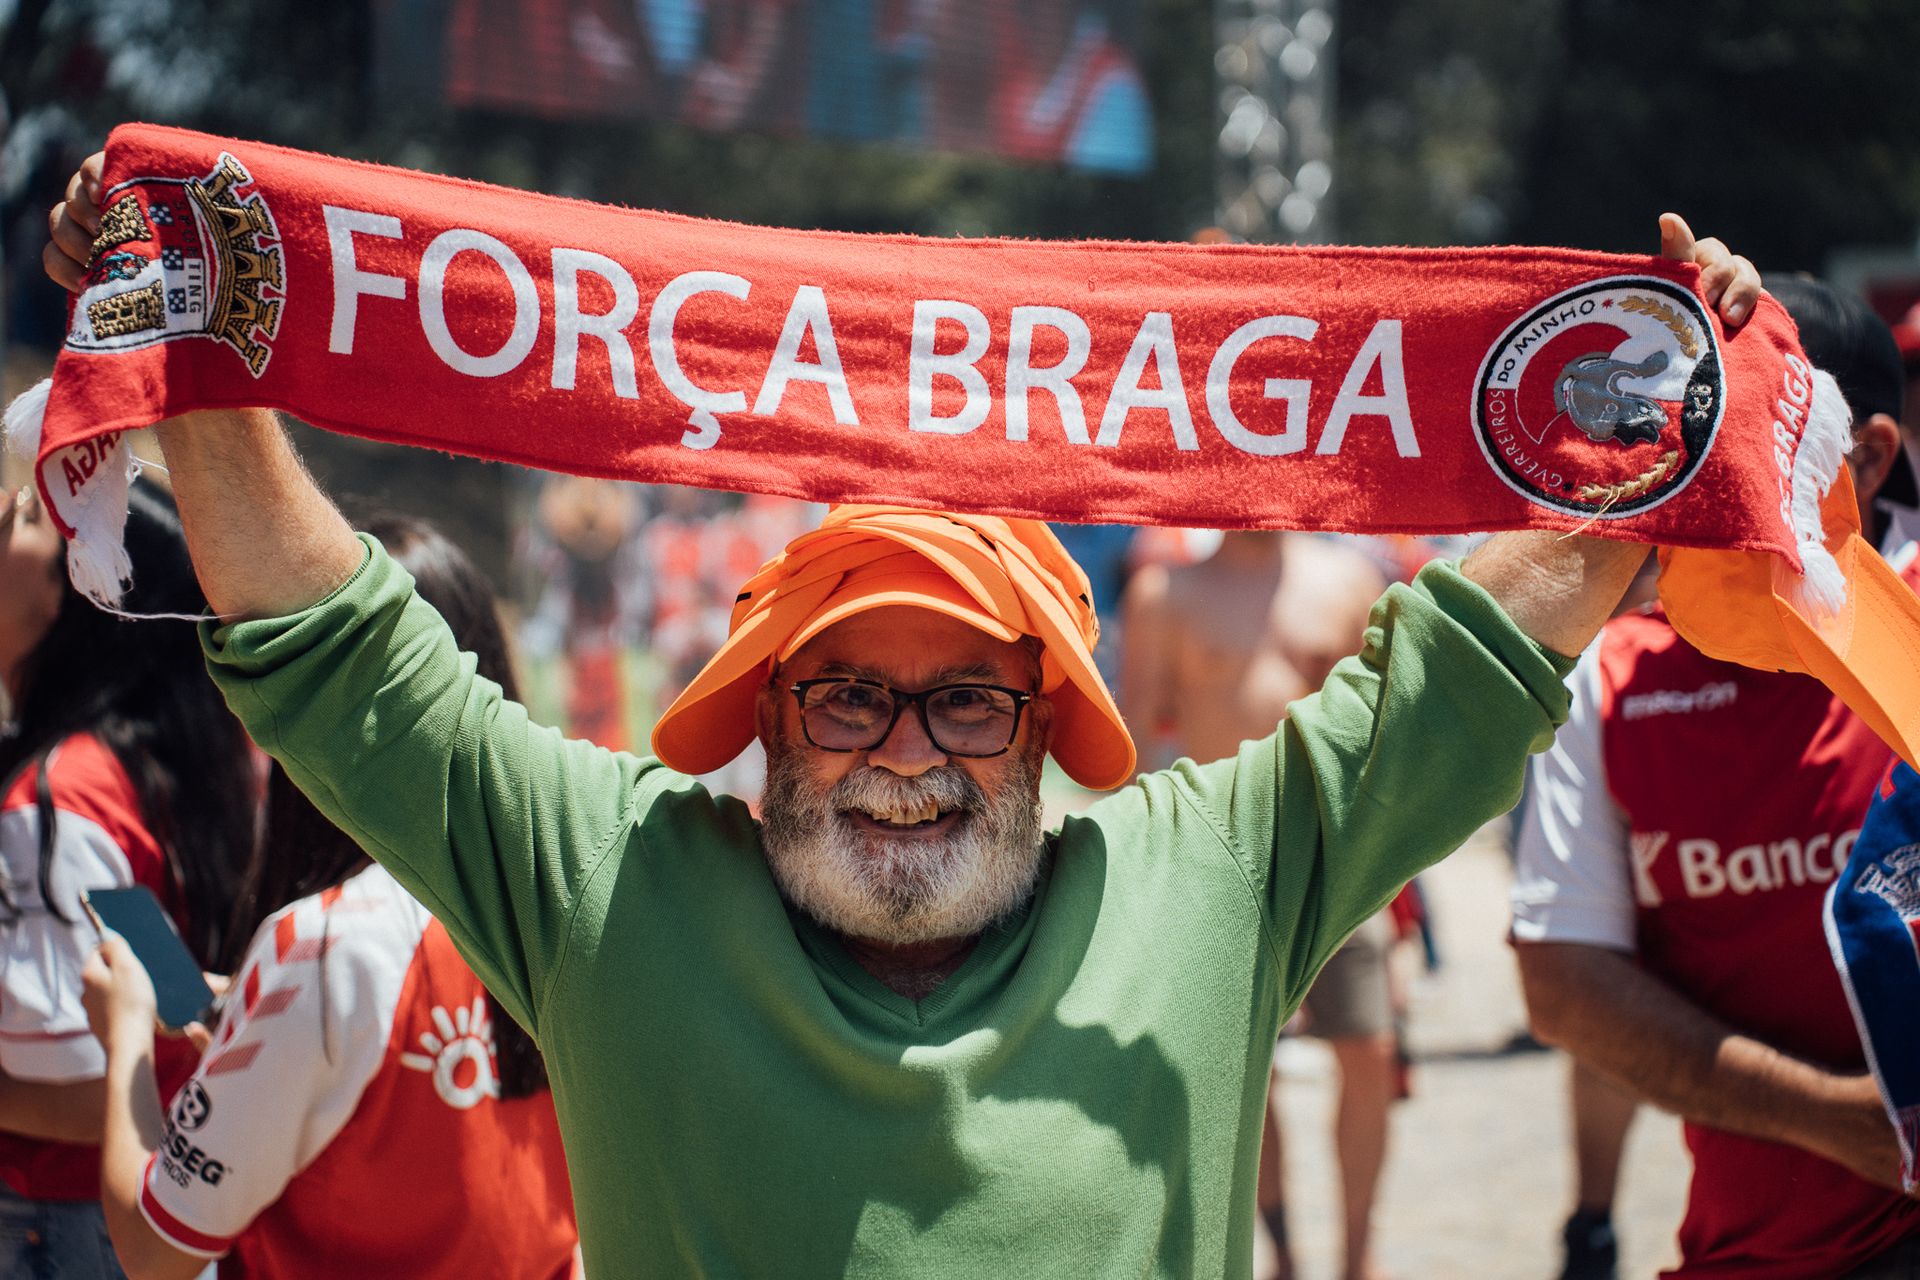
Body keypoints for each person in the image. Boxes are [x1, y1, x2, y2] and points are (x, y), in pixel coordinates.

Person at [45, 154, 1759, 1276]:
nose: (909, 754)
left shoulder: (1214, 879)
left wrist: (1664, 410)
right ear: (773, 723)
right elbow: (337, 645)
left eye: (965, 702)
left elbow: (1469, 653)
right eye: (852, 694)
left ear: (1042, 725)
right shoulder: (611, 883)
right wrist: (185, 328)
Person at [1511, 276, 1919, 1279]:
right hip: (1753, 1250)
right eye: (1699, 423)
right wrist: (1830, 1118)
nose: (1710, 465)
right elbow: (1565, 986)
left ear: (1866, 457)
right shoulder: (1610, 674)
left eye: (1759, 424)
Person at [80, 513, 579, 1280]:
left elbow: (154, 1245)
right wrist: (256, 1013)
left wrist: (127, 1043)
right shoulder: (569, 891)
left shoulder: (323, 947)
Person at [1121, 530, 1397, 1280]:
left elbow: (1386, 734)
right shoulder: (1168, 594)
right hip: (1222, 863)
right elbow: (1136, 740)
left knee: (1370, 1053)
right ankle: (1281, 1254)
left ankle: (1358, 1254)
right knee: (1247, 1075)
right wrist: (1151, 868)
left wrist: (1398, 878)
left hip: (1341, 856)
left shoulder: (1348, 578)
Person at [0, 479, 254, 1280]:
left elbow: (74, 1080)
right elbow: (174, 997)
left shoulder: (62, 796)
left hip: (68, 1228)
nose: (10, 500)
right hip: (161, 1210)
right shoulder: (148, 769)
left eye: (33, 515)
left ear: (76, 600)